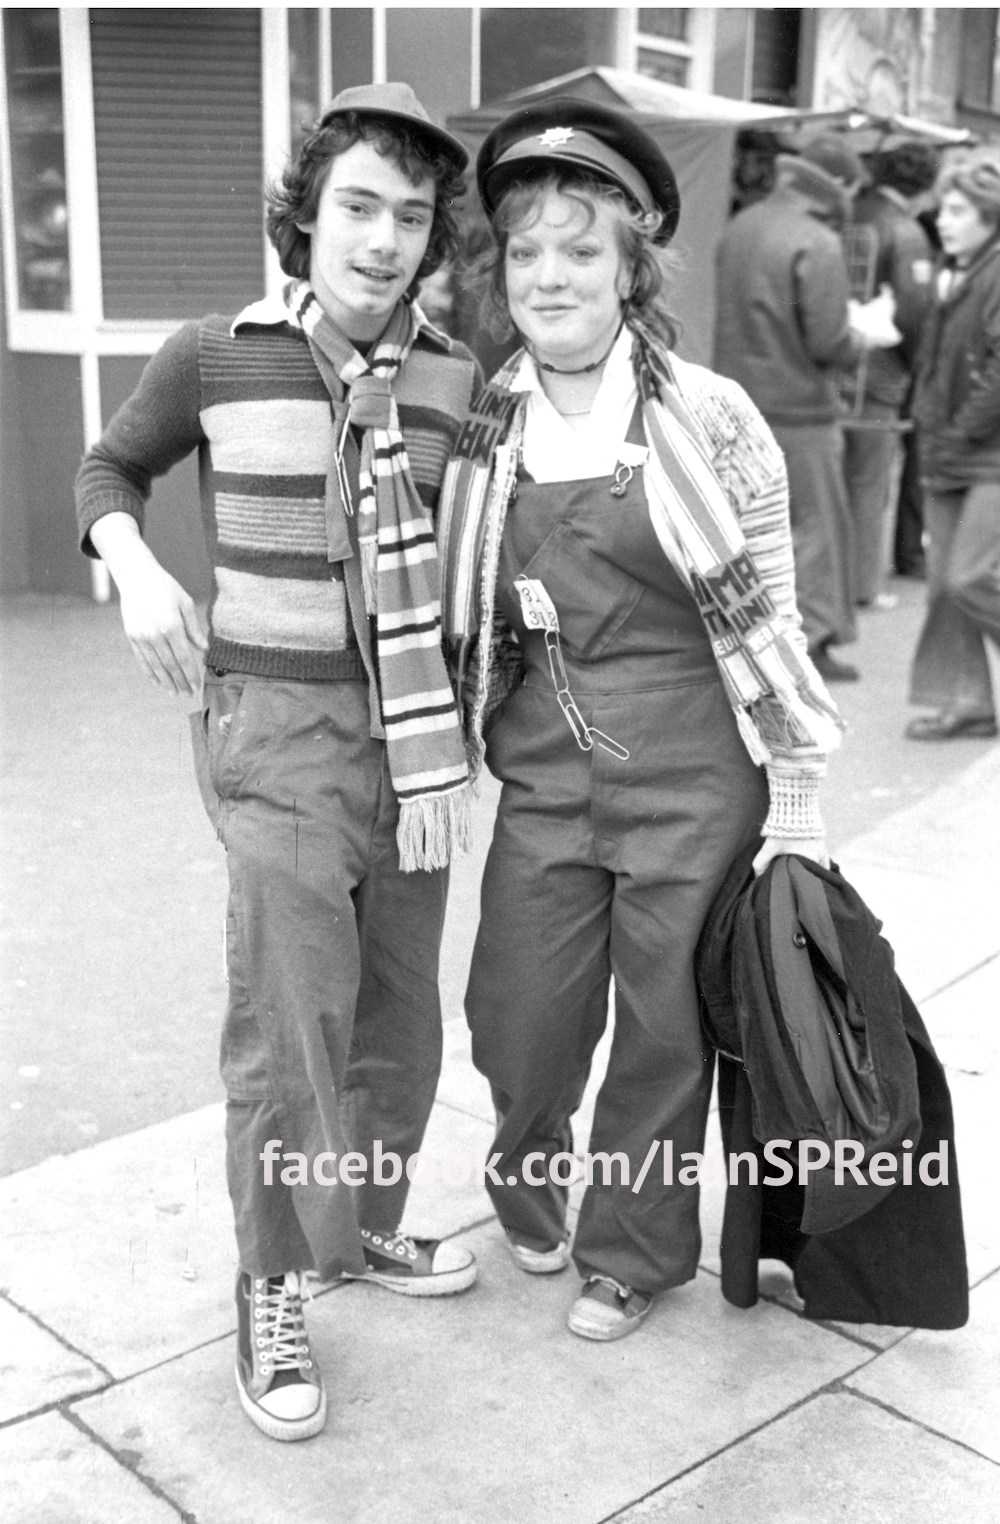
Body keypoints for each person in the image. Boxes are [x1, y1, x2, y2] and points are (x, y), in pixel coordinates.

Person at [74, 83, 481, 1443]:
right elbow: (107, 472)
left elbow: (490, 541)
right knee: (288, 1024)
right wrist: (132, 567)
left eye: (411, 217)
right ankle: (271, 1282)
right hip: (276, 737)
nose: (382, 240)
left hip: (416, 749)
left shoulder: (457, 378)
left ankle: (354, 1231)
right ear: (306, 216)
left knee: (396, 1027)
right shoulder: (213, 353)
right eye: (358, 207)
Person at [437, 101, 843, 1342]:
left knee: (665, 1031)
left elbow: (769, 606)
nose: (549, 273)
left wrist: (796, 799)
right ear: (500, 274)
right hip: (549, 776)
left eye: (580, 248)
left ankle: (631, 1250)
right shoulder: (478, 429)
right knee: (515, 1012)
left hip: (692, 776)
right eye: (525, 251)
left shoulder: (711, 416)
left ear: (630, 268)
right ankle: (528, 1172)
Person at [714, 134, 885, 683]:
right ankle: (811, 641)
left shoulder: (741, 225)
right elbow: (829, 341)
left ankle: (747, 639)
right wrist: (863, 337)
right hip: (801, 408)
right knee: (814, 526)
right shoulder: (820, 241)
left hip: (737, 401)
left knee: (743, 527)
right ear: (839, 185)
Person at [906, 151, 1000, 741]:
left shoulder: (994, 272)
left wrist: (959, 426)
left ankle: (969, 697)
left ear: (990, 216)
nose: (945, 219)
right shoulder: (955, 269)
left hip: (987, 451)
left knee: (968, 576)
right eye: (943, 208)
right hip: (947, 447)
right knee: (943, 585)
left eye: (960, 210)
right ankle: (970, 701)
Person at [841, 141, 938, 608]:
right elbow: (915, 312)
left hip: (833, 362)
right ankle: (862, 584)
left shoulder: (848, 211)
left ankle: (834, 579)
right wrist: (924, 364)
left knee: (838, 479)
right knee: (869, 480)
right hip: (880, 372)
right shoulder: (907, 232)